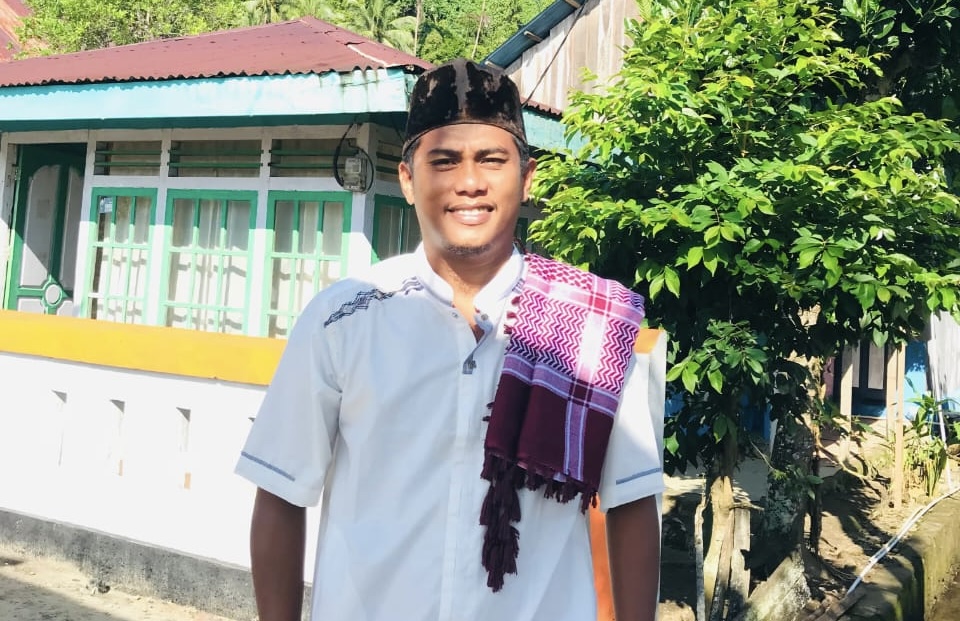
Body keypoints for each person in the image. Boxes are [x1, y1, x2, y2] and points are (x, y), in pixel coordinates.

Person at [235, 58, 664, 621]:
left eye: (491, 159)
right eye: (444, 161)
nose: (469, 182)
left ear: (527, 178)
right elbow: (280, 494)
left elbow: (630, 505)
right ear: (408, 180)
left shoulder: (593, 328)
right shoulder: (342, 320)